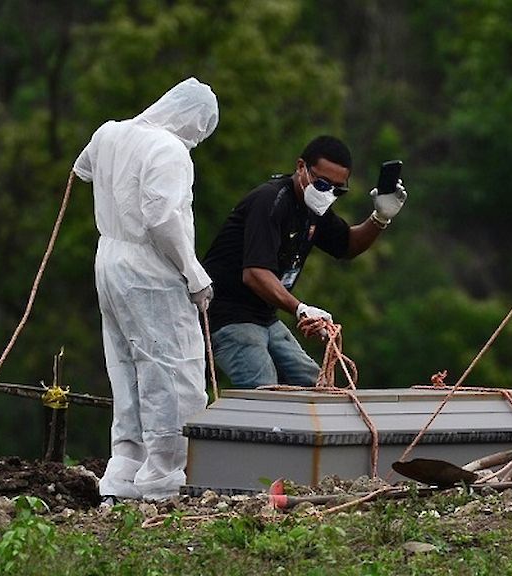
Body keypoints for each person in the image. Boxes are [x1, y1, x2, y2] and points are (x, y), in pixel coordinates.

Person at [72, 77, 218, 501]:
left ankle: (124, 472)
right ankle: (162, 477)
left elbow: (81, 169)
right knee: (173, 370)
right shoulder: (169, 149)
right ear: (193, 121)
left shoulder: (110, 132)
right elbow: (162, 219)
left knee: (126, 367)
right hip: (150, 269)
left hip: (110, 259)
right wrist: (194, 273)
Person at [202, 136, 407, 388]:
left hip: (264, 317)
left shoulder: (313, 208)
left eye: (338, 189)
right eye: (322, 184)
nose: (328, 193)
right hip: (228, 316)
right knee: (265, 388)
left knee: (315, 385)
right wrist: (301, 309)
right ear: (301, 167)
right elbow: (254, 273)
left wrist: (380, 218)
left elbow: (347, 246)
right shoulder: (270, 200)